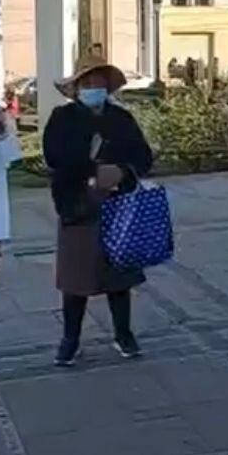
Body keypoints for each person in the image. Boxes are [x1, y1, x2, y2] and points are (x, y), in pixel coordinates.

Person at [43, 54, 153, 367]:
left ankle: (123, 333)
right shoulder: (62, 118)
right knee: (75, 278)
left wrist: (123, 172)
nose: (94, 87)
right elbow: (54, 157)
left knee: (119, 275)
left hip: (118, 206)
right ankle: (71, 339)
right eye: (88, 82)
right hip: (77, 205)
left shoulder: (121, 118)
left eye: (99, 82)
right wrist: (90, 168)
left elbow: (143, 157)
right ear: (77, 87)